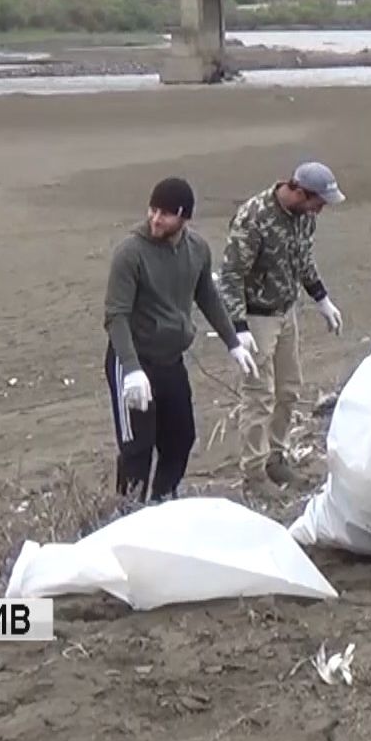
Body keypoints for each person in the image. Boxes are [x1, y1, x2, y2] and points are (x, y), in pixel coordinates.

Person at [104, 178, 259, 503]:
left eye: (165, 213)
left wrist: (233, 342)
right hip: (132, 359)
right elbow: (115, 316)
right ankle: (125, 515)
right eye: (153, 209)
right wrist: (131, 370)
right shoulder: (130, 253)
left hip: (171, 360)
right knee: (137, 448)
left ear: (184, 217)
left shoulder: (198, 249)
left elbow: (208, 296)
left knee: (180, 438)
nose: (156, 219)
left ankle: (162, 504)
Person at [219, 161, 345, 487]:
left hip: (286, 313)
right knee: (259, 395)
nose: (320, 210)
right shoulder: (254, 217)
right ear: (300, 192)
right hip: (257, 317)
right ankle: (254, 472)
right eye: (318, 202)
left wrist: (322, 299)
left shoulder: (304, 219)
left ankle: (276, 457)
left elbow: (303, 259)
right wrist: (239, 328)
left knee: (289, 389)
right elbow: (231, 274)